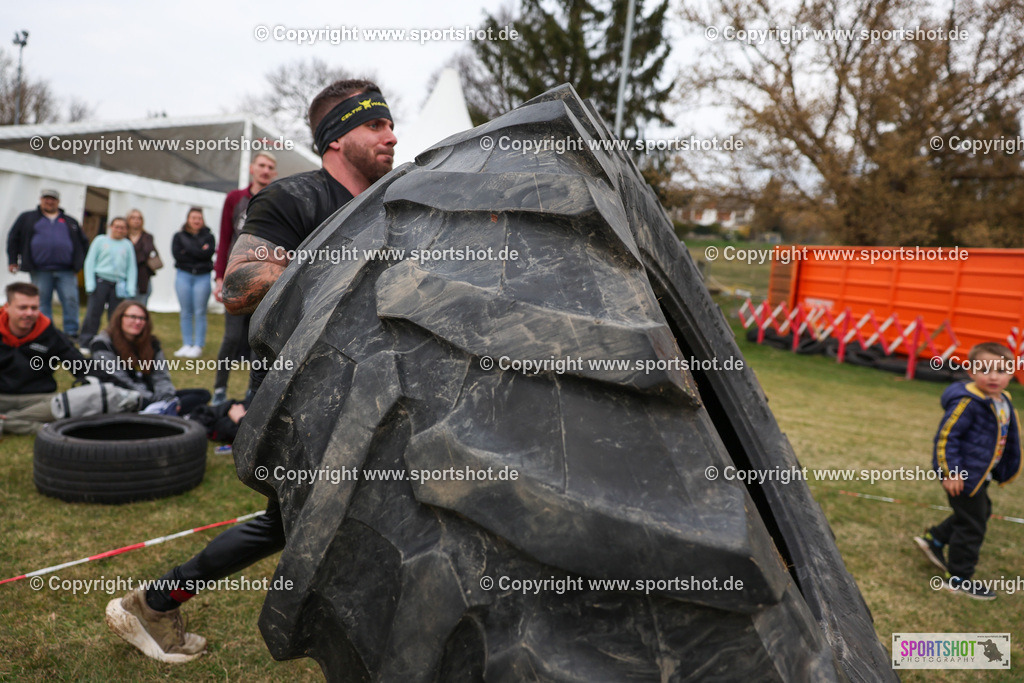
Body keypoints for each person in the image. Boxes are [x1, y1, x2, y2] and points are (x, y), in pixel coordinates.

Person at [106, 78, 396, 663]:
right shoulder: (290, 199)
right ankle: (154, 602)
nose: (392, 136)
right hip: (299, 391)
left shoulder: (391, 201)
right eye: (376, 125)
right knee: (295, 523)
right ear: (337, 138)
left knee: (303, 522)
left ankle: (155, 602)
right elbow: (240, 287)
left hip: (373, 384)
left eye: (390, 124)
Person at [914, 342, 1022, 600]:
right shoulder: (967, 403)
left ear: (1012, 372)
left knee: (979, 512)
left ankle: (935, 539)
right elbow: (946, 439)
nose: (993, 376)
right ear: (972, 372)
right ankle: (959, 578)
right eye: (984, 369)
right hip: (962, 476)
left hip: (979, 475)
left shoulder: (1003, 400)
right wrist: (951, 472)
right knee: (973, 524)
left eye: (1001, 370)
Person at [211, 152, 278, 405]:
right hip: (235, 280)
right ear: (252, 168)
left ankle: (254, 395)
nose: (265, 170)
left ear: (274, 173)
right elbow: (225, 238)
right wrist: (219, 278)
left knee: (257, 340)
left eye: (270, 167)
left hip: (264, 281)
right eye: (261, 165)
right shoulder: (235, 199)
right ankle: (219, 390)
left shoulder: (277, 200)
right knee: (230, 338)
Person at [88, 301, 211, 415]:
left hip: (154, 396)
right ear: (120, 318)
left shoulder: (151, 343)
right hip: (125, 397)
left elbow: (161, 376)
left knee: (202, 395)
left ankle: (164, 410)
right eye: (132, 317)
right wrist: (150, 399)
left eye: (142, 318)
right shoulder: (102, 344)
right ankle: (165, 412)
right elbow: (119, 379)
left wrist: (165, 397)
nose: (138, 322)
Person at [0, 282, 89, 434]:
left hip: (40, 400)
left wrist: (94, 382)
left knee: (70, 406)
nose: (29, 313)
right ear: (7, 307)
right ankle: (39, 428)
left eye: (34, 308)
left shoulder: (49, 333)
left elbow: (79, 365)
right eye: (23, 307)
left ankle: (6, 422)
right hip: (3, 398)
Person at [6, 188, 89, 341]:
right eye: (46, 198)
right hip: (40, 270)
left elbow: (83, 243)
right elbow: (13, 238)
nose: (49, 201)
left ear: (58, 202)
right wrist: (12, 260)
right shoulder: (28, 218)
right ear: (41, 199)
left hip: (66, 270)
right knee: (42, 302)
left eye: (52, 199)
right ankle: (46, 332)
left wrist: (79, 263)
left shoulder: (70, 221)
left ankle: (71, 333)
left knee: (71, 300)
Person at [80, 217, 137, 349]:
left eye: (122, 227)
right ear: (110, 227)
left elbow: (131, 267)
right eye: (116, 226)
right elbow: (90, 262)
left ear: (126, 230)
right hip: (100, 281)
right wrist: (90, 283)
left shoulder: (127, 245)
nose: (119, 230)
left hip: (118, 284)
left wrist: (130, 288)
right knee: (93, 312)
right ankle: (86, 341)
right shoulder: (100, 240)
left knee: (116, 316)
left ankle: (114, 342)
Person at [171, 208, 215, 359]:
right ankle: (187, 343)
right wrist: (198, 251)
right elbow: (178, 255)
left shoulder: (209, 236)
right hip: (184, 275)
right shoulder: (178, 236)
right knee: (185, 311)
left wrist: (188, 251)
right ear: (188, 219)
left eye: (199, 218)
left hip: (202, 277)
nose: (196, 221)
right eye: (193, 217)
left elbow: (207, 254)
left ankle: (198, 345)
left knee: (200, 311)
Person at [127, 209, 160, 308]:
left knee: (140, 306)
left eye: (139, 218)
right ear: (128, 219)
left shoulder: (147, 237)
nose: (136, 220)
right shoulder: (123, 236)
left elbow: (149, 253)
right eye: (133, 218)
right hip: (125, 275)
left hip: (142, 277)